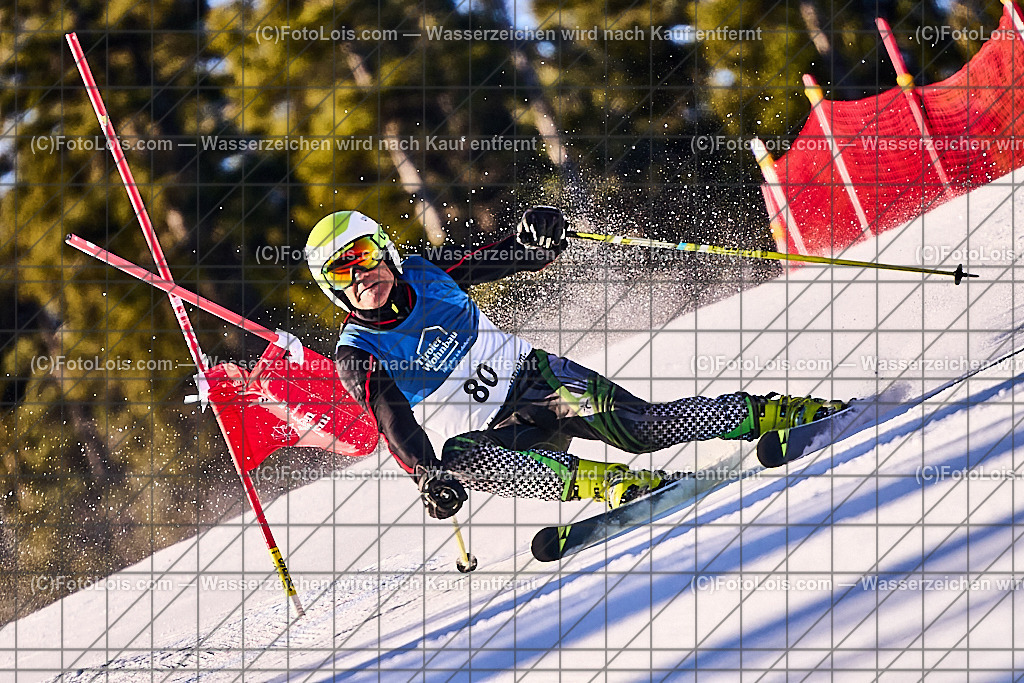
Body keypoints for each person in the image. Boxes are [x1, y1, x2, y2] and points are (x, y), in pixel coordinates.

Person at [305, 208, 847, 519]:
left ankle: (771, 413)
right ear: (332, 289)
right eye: (341, 272)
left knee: (642, 429)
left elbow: (514, 253)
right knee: (458, 457)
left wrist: (541, 235)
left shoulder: (429, 271)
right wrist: (429, 478)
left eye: (365, 256)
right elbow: (392, 420)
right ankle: (609, 486)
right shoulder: (358, 353)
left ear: (384, 251)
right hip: (500, 438)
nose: (360, 276)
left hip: (542, 383)